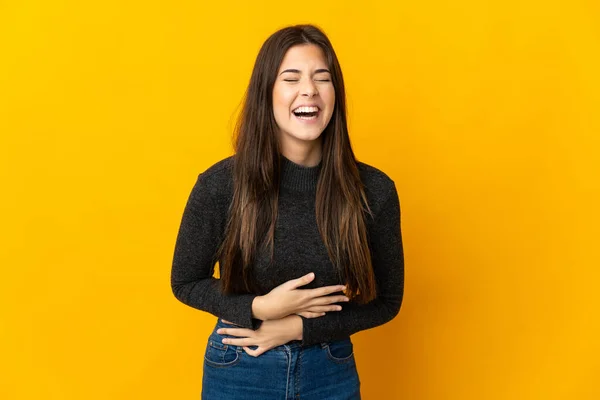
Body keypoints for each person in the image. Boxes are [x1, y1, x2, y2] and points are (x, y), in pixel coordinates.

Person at [171, 24, 404, 400]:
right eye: (291, 78)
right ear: (268, 93)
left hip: (331, 369)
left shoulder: (373, 191)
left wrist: (296, 327)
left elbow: (388, 302)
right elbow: (184, 281)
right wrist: (261, 307)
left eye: (322, 78)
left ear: (335, 94)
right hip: (240, 367)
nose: (308, 89)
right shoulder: (221, 185)